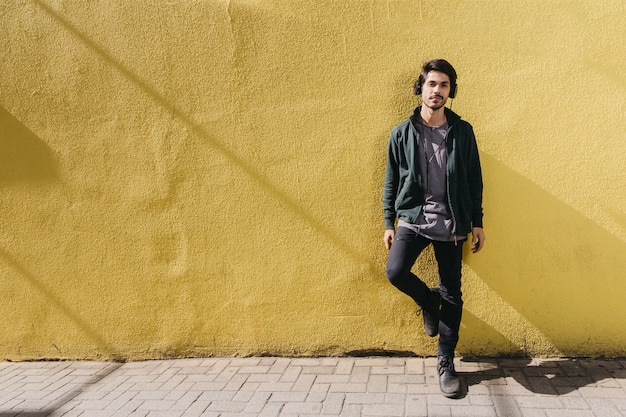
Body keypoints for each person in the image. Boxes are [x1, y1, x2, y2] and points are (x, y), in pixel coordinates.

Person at [382, 59, 485, 398]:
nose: (437, 90)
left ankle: (446, 362)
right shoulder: (401, 133)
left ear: (450, 90)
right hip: (413, 218)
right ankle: (428, 300)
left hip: (453, 223)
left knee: (452, 292)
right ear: (421, 88)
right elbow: (392, 180)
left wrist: (477, 221)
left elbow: (473, 180)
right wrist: (388, 221)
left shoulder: (463, 131)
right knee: (396, 272)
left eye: (443, 85)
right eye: (431, 84)